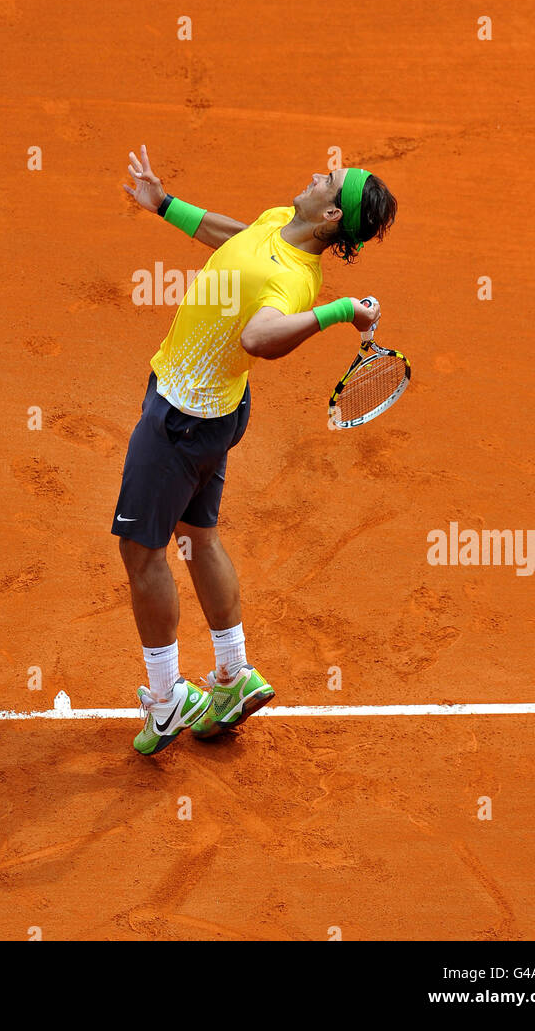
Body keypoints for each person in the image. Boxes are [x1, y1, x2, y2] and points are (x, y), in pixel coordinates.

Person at [113, 145, 398, 755]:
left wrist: (340, 310)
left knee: (141, 555)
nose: (319, 172)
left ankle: (165, 702)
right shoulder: (280, 226)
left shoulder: (294, 280)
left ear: (329, 217)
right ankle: (233, 672)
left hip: (183, 419)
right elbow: (237, 238)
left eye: (331, 180)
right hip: (217, 412)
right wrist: (163, 205)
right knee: (198, 537)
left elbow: (260, 337)